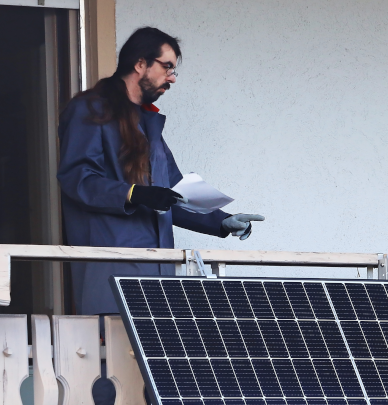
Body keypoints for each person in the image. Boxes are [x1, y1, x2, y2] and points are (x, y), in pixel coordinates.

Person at [57, 26, 264, 316]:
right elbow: (77, 179)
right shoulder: (90, 109)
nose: (172, 78)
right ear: (140, 64)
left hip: (158, 280)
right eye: (167, 67)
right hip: (111, 274)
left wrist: (222, 221)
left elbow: (174, 194)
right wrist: (134, 193)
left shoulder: (147, 123)